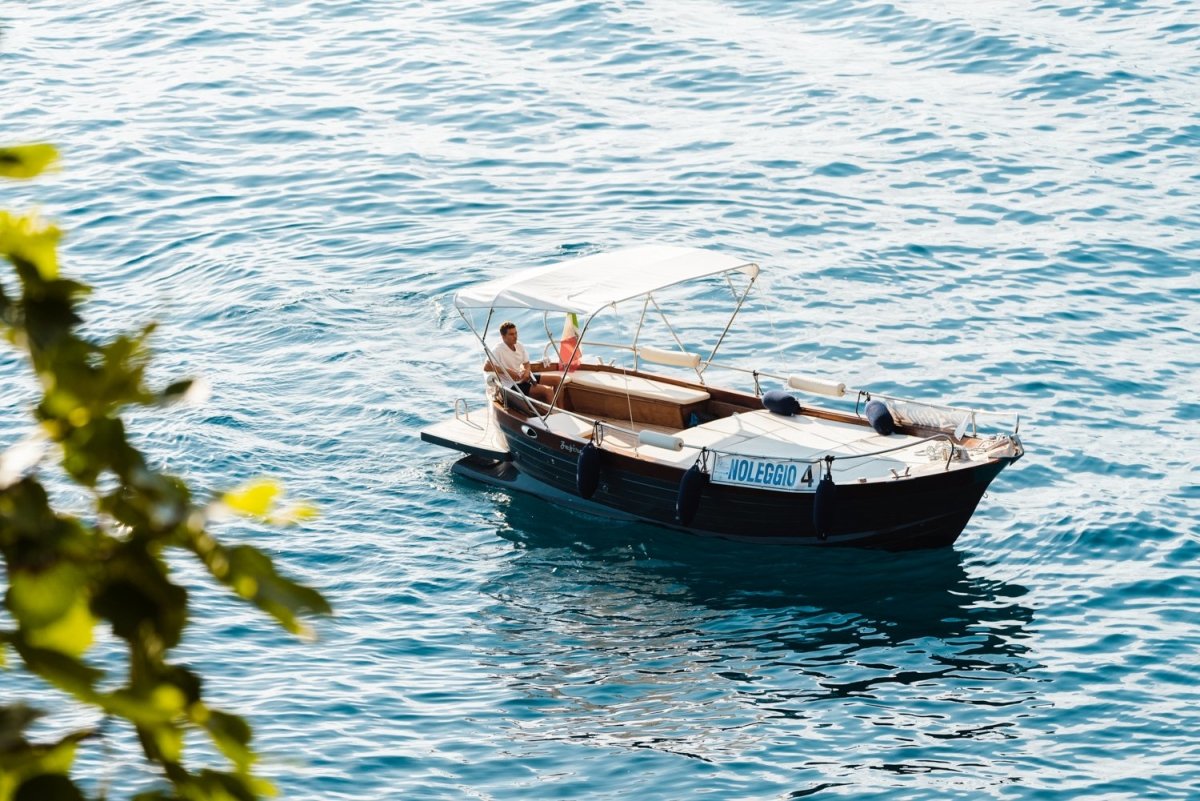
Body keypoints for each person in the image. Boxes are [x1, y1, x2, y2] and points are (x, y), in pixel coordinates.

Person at [484, 321, 555, 407]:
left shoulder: (519, 345)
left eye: (516, 333)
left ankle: (561, 410)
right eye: (511, 334)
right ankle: (556, 416)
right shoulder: (498, 350)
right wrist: (508, 372)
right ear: (503, 337)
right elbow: (486, 367)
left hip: (522, 378)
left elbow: (527, 363)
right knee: (548, 391)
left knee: (558, 380)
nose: (515, 336)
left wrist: (526, 371)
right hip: (511, 385)